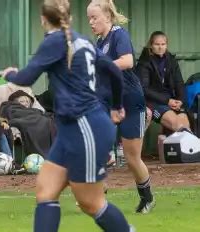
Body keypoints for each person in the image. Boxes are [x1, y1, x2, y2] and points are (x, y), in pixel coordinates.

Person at [3, 0, 133, 231]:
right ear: (70, 18)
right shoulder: (79, 39)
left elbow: (26, 78)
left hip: (86, 127)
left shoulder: (55, 41)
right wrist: (117, 105)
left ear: (43, 19)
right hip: (72, 129)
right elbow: (113, 70)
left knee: (91, 203)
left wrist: (11, 74)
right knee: (46, 191)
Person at [87, 0, 155, 213]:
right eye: (89, 18)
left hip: (131, 101)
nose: (91, 22)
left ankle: (147, 198)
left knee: (132, 158)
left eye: (94, 18)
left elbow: (127, 61)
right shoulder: (99, 43)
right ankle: (97, 192)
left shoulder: (119, 35)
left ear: (107, 17)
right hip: (110, 103)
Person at [136, 31, 190, 132]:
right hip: (152, 103)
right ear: (151, 45)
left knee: (186, 126)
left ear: (166, 45)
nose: (160, 47)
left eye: (163, 44)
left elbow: (179, 83)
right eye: (157, 44)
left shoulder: (171, 60)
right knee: (178, 125)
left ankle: (171, 146)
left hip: (172, 101)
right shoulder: (144, 62)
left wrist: (180, 100)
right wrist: (167, 101)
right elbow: (143, 89)